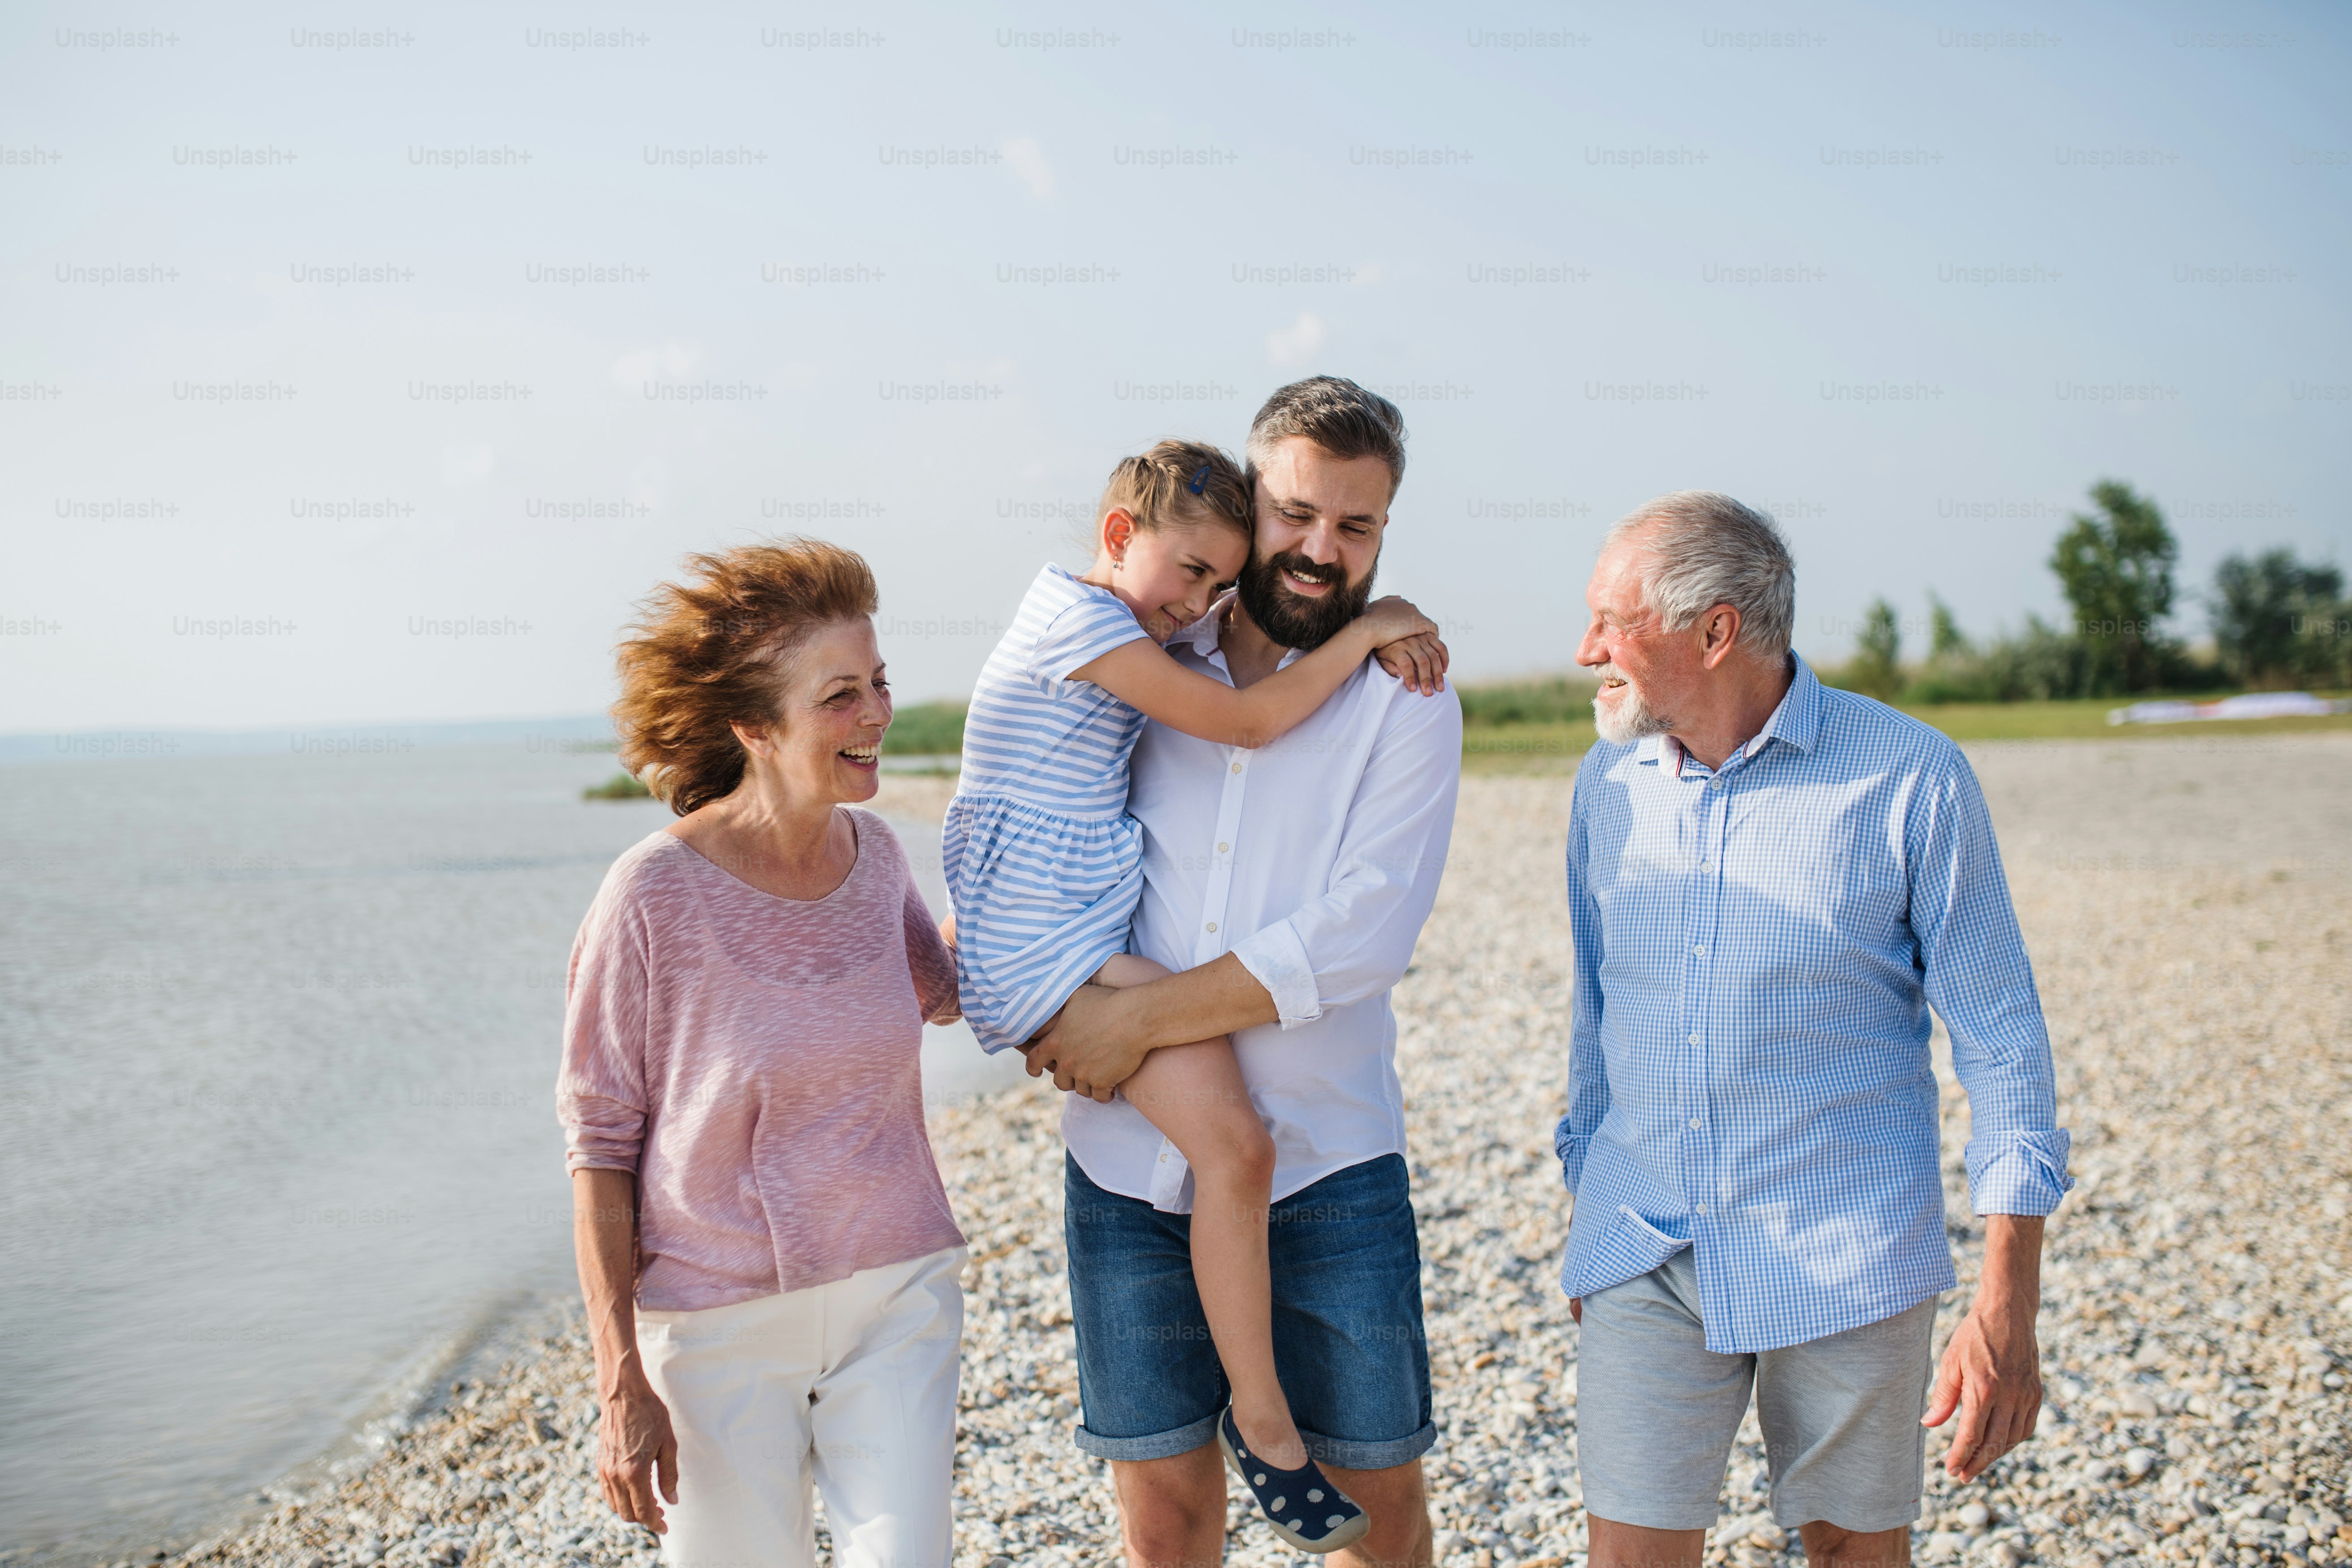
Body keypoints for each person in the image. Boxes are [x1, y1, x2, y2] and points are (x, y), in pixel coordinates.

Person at [944, 436, 1447, 1555]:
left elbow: (1362, 935)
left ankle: (1266, 1427)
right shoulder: (1145, 647)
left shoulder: (1401, 694)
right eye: (1298, 515)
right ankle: (1265, 1429)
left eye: (1356, 528)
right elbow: (1051, 796)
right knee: (1162, 1518)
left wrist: (1121, 1022)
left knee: (1384, 1512)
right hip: (1120, 1161)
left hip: (1333, 1163)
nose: (1320, 548)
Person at [1555, 493, 2073, 1568]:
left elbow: (2002, 1037)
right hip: (1643, 1243)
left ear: (1714, 631)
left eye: (1613, 620)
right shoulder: (1604, 784)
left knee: (1847, 1547)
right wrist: (1586, 1211)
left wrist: (2005, 1299)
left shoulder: (1909, 776)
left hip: (1844, 1248)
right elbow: (1596, 1014)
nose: (1584, 650)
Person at [556, 540, 968, 1568]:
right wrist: (619, 1380)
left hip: (896, 1295)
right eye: (840, 695)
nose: (876, 713)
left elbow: (948, 993)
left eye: (878, 683)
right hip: (716, 1332)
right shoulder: (651, 895)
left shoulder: (876, 858)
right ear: (753, 727)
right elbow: (599, 1146)